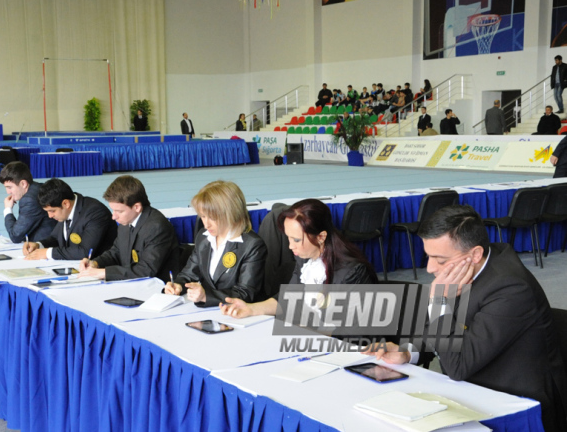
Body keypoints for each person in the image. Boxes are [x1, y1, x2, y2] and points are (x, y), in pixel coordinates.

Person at [364, 205, 567, 432]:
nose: (430, 268)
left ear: (475, 254)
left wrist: (439, 300)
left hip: (517, 402)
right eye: (428, 256)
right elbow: (443, 329)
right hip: (474, 387)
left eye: (440, 260)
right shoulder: (471, 268)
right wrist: (408, 351)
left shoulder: (510, 288)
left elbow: (458, 367)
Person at [219, 199, 378, 319]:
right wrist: (251, 309)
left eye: (296, 240)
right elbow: (288, 300)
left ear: (321, 237)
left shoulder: (352, 272)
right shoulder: (305, 260)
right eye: (288, 238)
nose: (290, 246)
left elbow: (355, 331)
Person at [164, 181, 267, 307]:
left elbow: (245, 293)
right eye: (202, 216)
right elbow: (189, 274)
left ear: (230, 214)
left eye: (212, 218)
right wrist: (178, 285)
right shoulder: (203, 237)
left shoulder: (252, 245)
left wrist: (206, 296)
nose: (206, 225)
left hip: (240, 313)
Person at [78, 175, 179, 281]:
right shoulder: (126, 220)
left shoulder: (157, 227)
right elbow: (116, 252)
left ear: (137, 207)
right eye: (113, 210)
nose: (113, 216)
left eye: (119, 211)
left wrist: (104, 272)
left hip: (158, 287)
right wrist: (95, 263)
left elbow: (146, 270)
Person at [23, 178, 117, 260]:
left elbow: (84, 252)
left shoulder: (95, 212)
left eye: (52, 211)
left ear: (66, 204)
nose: (50, 216)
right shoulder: (67, 210)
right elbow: (55, 239)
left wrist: (47, 253)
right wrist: (39, 245)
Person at [0, 161, 56, 244]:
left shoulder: (29, 200)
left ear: (23, 183)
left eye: (9, 187)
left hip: (46, 246)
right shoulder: (38, 188)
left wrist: (8, 210)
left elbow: (15, 236)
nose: (8, 192)